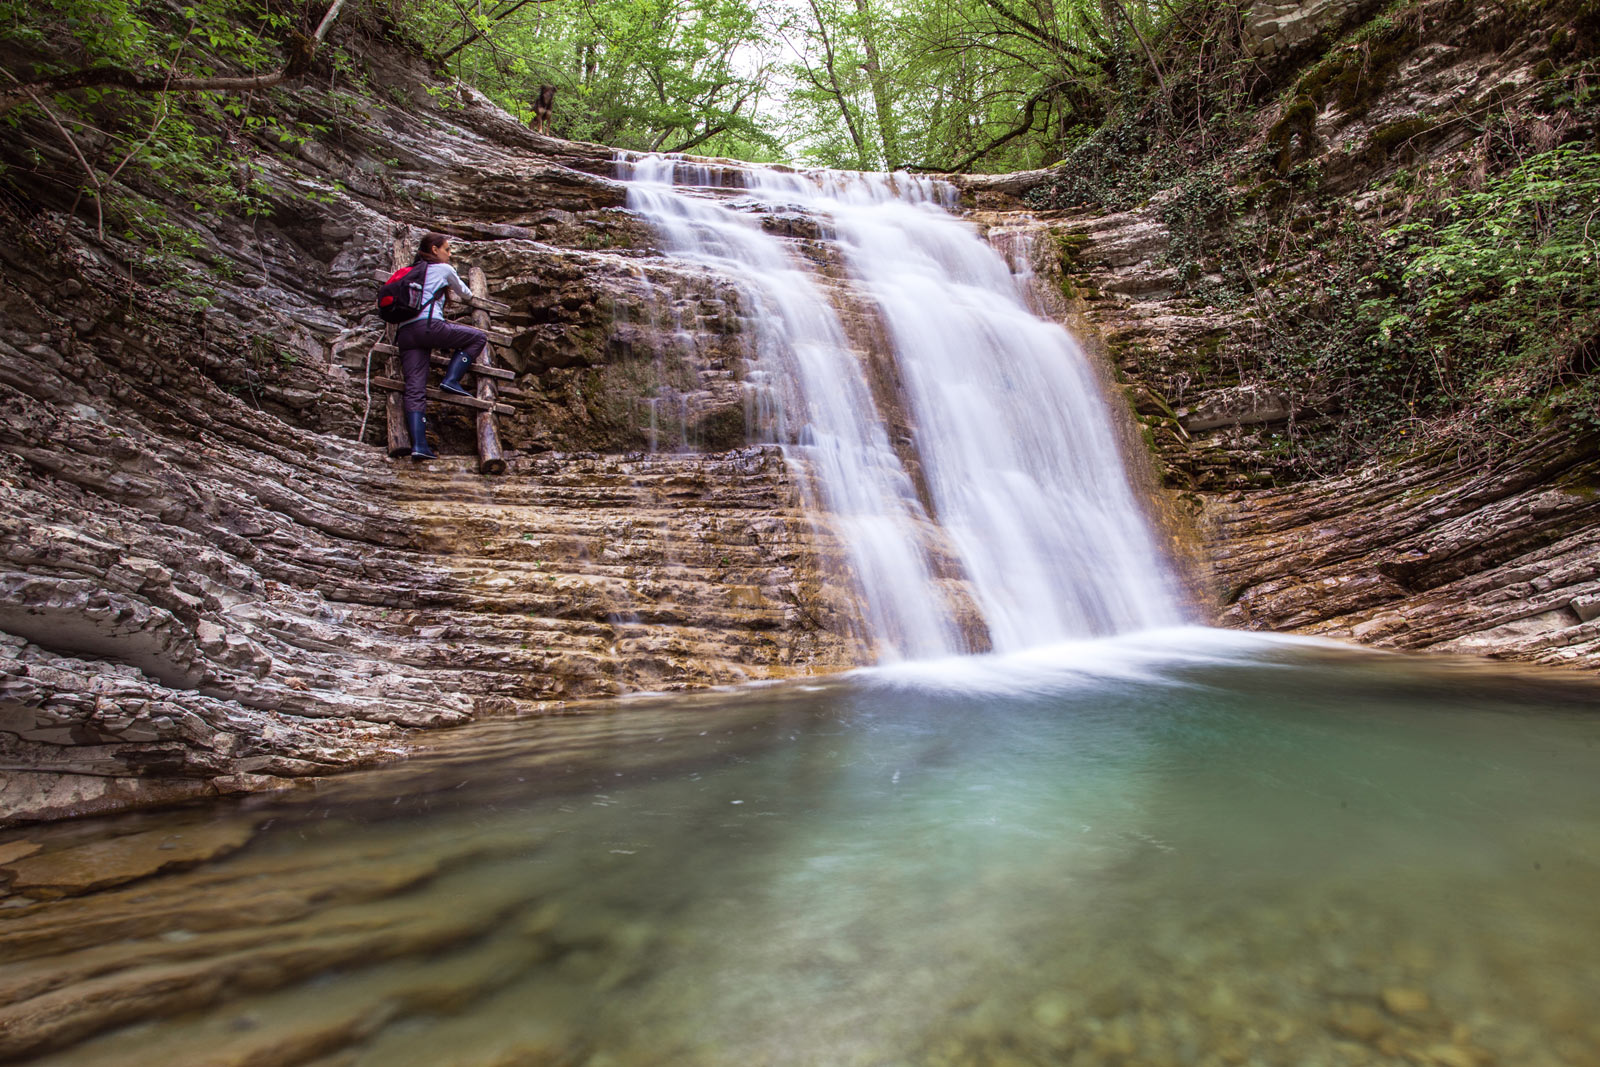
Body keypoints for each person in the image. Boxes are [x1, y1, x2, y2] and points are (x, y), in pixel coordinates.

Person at [394, 233, 487, 459]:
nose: (450, 254)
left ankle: (419, 446)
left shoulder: (410, 272)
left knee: (414, 389)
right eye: (447, 249)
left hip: (405, 335)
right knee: (478, 338)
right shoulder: (443, 270)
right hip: (429, 327)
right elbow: (466, 294)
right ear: (435, 250)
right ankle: (451, 379)